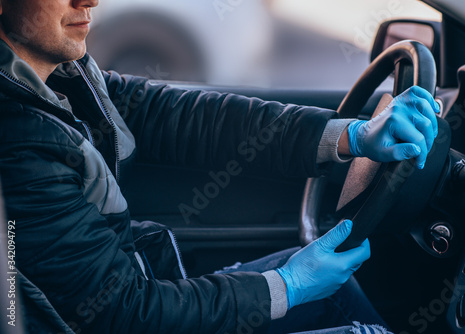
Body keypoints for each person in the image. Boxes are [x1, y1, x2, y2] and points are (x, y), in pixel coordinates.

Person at [0, 1, 440, 333]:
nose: (90, 0)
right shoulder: (20, 139)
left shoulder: (57, 76)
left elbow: (180, 116)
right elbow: (121, 315)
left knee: (336, 283)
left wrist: (350, 136)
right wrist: (285, 287)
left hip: (140, 287)